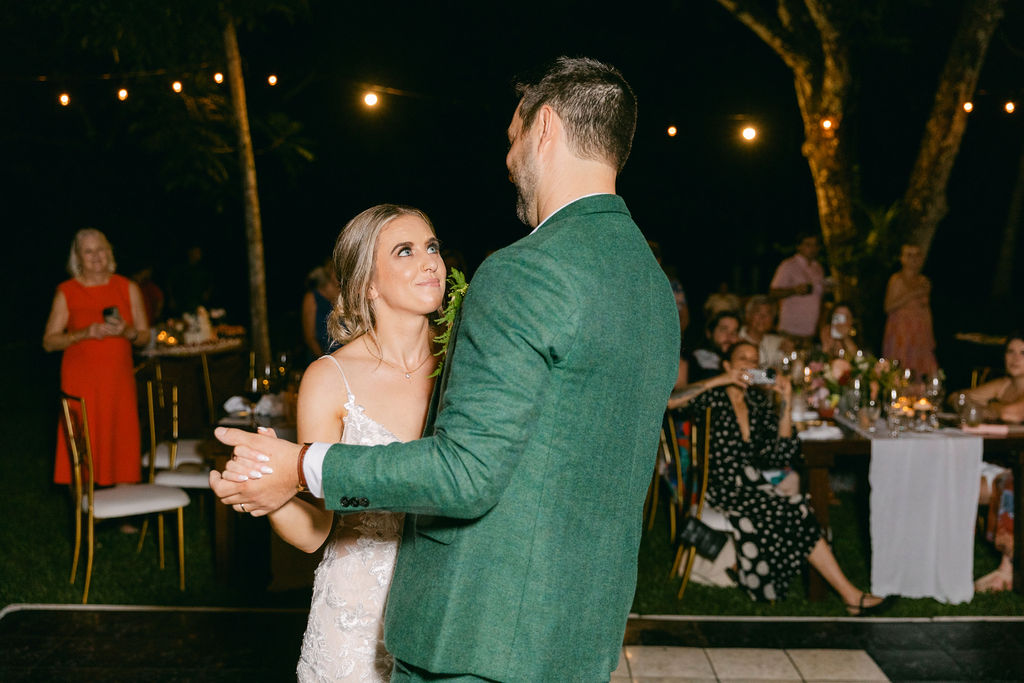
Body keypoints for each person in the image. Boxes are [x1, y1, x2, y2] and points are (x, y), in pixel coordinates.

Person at [211, 56, 679, 681]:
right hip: (578, 630)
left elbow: (466, 474)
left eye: (512, 140)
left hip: (480, 634)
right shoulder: (650, 286)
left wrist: (299, 466)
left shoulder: (524, 271)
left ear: (543, 130)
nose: (509, 162)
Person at [272, 205, 444, 681]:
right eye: (405, 251)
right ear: (369, 283)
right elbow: (313, 531)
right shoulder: (330, 380)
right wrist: (267, 493)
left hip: (446, 614)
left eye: (432, 247)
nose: (430, 261)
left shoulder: (466, 367)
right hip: (353, 625)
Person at [677, 341, 886, 612]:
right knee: (794, 509)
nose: (749, 366)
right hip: (719, 486)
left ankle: (849, 595)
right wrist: (719, 380)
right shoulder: (713, 396)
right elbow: (670, 402)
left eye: (754, 361)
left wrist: (786, 401)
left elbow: (780, 454)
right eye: (742, 359)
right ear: (727, 365)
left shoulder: (756, 402)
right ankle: (850, 596)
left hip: (751, 484)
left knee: (798, 506)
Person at [44, 229, 151, 486]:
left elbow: (145, 337)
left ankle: (125, 512)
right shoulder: (67, 291)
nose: (96, 256)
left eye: (101, 249)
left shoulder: (127, 287)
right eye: (88, 251)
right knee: (83, 439)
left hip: (118, 381)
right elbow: (49, 342)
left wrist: (127, 331)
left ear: (110, 252)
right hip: (81, 382)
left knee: (121, 437)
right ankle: (85, 509)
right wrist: (83, 333)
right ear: (77, 258)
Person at [958, 332, 1024, 592]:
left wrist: (985, 408)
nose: (1015, 358)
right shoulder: (1004, 385)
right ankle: (951, 557)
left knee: (1008, 484)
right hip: (1000, 462)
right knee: (953, 478)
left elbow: (1012, 412)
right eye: (1010, 352)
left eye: (1023, 353)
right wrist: (981, 406)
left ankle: (1006, 570)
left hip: (1017, 467)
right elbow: (960, 398)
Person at [882, 244, 938, 377]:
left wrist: (930, 337)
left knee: (923, 370)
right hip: (901, 332)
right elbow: (888, 306)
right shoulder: (896, 279)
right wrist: (913, 293)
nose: (913, 259)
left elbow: (926, 310)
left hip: (920, 333)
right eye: (909, 255)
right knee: (900, 371)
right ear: (902, 258)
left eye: (917, 255)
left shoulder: (924, 281)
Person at [770, 233, 826, 344]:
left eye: (815, 245)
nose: (813, 249)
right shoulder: (788, 265)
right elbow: (773, 292)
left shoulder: (818, 268)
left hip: (810, 331)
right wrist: (794, 290)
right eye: (808, 245)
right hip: (790, 331)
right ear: (799, 246)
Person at [684, 309, 741, 384]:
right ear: (709, 333)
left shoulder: (739, 362)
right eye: (724, 330)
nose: (729, 336)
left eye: (734, 332)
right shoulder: (695, 361)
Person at [301, 262, 341, 361]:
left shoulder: (347, 296)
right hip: (320, 358)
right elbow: (309, 338)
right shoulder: (312, 297)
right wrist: (325, 361)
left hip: (346, 359)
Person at [740, 295, 791, 369]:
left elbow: (789, 368)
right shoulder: (735, 338)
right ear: (748, 315)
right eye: (758, 312)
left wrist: (789, 353)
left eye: (768, 314)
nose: (762, 317)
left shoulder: (777, 342)